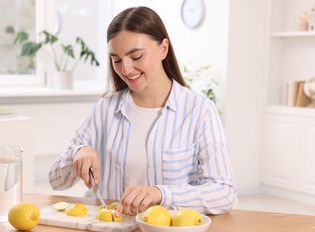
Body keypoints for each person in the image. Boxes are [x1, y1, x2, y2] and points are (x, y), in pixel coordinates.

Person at [49, 6, 236, 216]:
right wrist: (78, 152)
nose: (126, 70)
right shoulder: (104, 110)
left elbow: (224, 192)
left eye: (136, 57)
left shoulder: (200, 111)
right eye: (116, 60)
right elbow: (56, 181)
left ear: (163, 49)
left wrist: (162, 194)